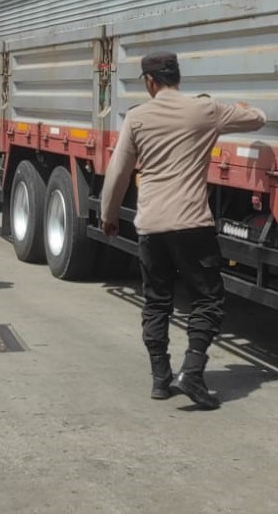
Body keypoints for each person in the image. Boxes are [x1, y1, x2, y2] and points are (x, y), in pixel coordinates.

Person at [100, 51, 266, 409]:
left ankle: (161, 378)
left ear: (149, 81)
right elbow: (257, 119)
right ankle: (192, 369)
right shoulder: (204, 110)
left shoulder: (137, 117)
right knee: (207, 298)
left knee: (157, 301)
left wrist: (109, 215)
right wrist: (241, 106)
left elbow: (118, 172)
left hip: (152, 225)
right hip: (193, 223)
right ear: (178, 77)